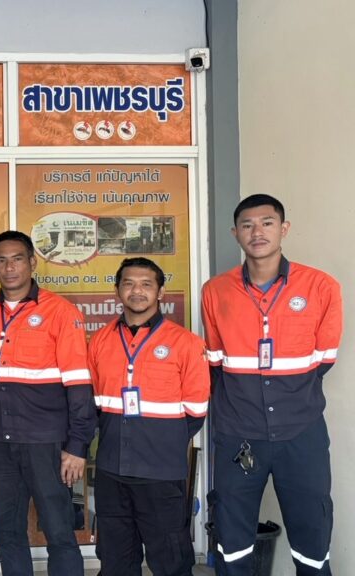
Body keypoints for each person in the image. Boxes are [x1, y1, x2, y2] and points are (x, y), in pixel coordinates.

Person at [202, 194, 342, 575]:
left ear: (284, 229)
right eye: (247, 225)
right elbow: (216, 361)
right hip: (238, 434)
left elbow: (323, 361)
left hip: (302, 432)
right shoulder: (215, 291)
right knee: (232, 541)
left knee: (312, 537)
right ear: (235, 233)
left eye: (267, 223)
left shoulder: (321, 287)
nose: (257, 232)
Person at [0, 230, 93, 576]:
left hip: (45, 442)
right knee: (6, 530)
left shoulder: (60, 312)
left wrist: (77, 446)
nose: (10, 267)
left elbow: (78, 384)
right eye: (1, 260)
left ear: (33, 263)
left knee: (58, 529)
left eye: (17, 259)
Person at [89, 257, 209, 576]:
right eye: (128, 284)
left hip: (161, 472)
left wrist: (161, 441)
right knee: (114, 561)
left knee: (170, 560)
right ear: (117, 291)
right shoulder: (100, 341)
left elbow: (196, 412)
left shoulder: (186, 343)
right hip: (112, 469)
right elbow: (94, 403)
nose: (137, 291)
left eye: (146, 284)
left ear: (160, 292)